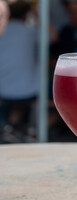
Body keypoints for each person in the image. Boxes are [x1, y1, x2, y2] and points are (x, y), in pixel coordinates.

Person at [0, 0, 38, 142]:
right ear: (25, 15)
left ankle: (12, 125)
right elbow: (53, 38)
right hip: (27, 90)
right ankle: (16, 126)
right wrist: (38, 14)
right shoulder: (30, 31)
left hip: (4, 88)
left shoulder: (6, 31)